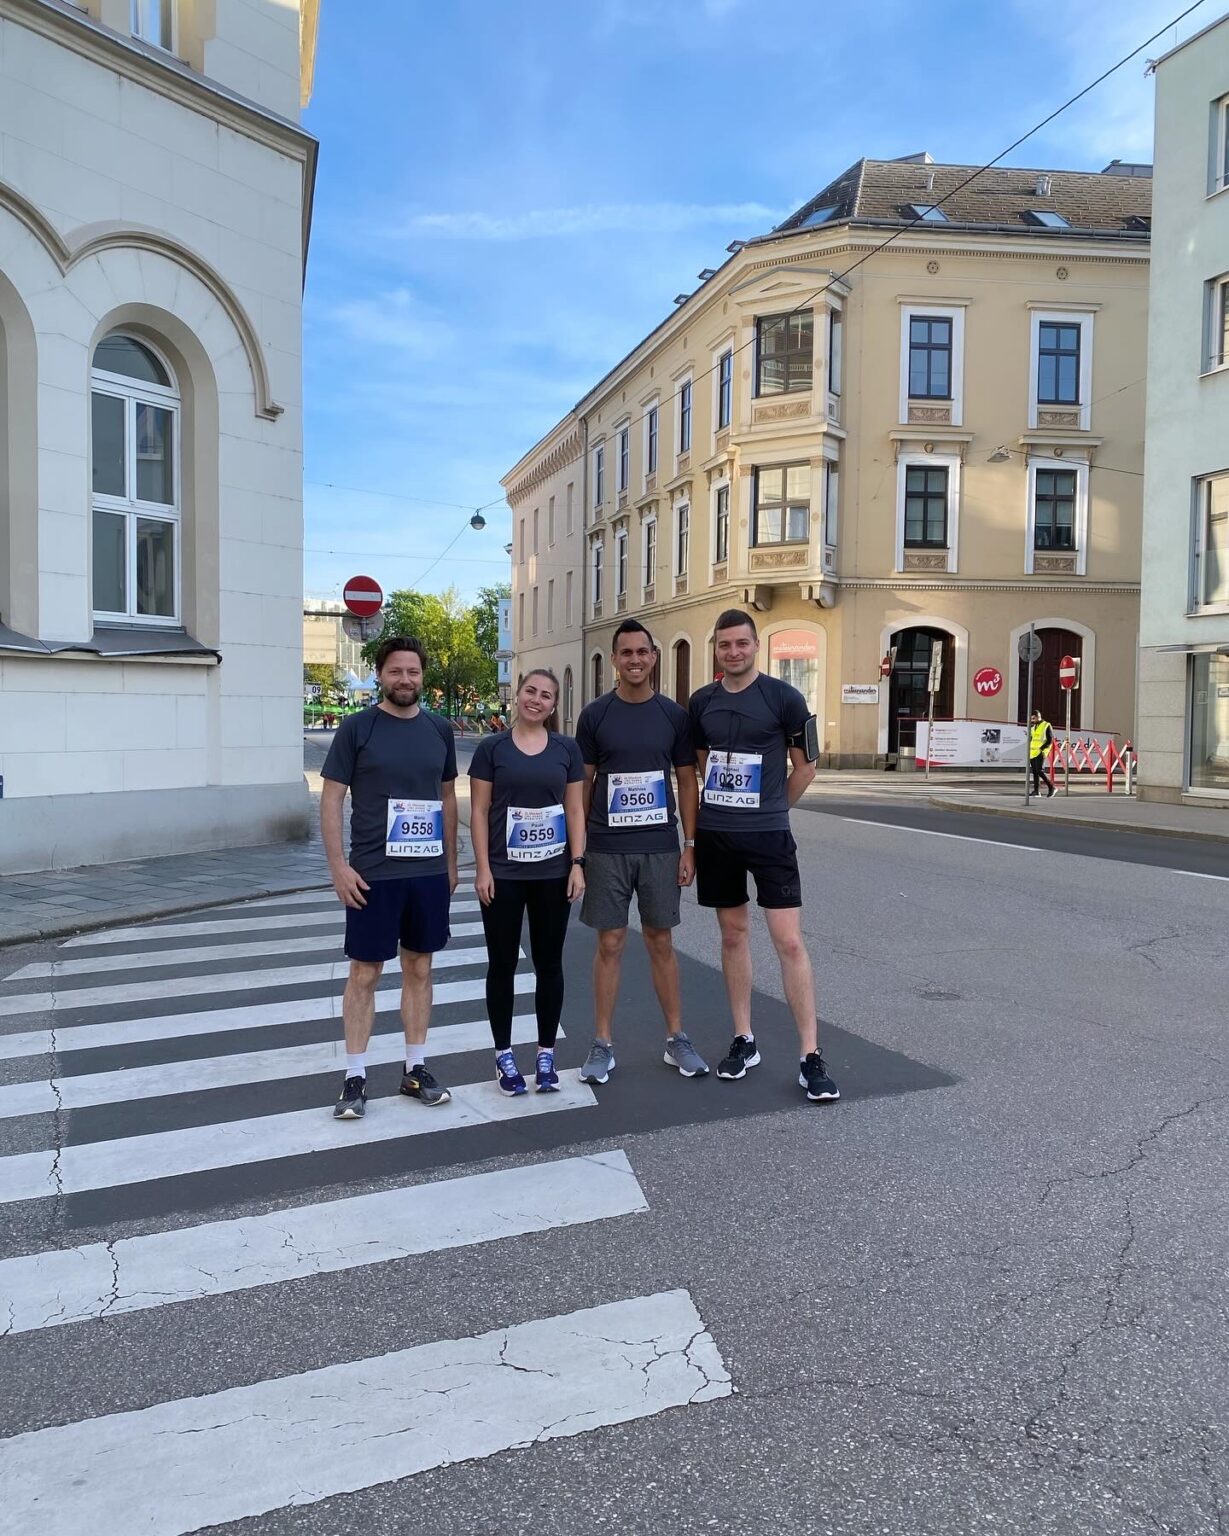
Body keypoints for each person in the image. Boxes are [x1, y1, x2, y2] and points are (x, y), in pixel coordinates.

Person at [688, 609, 840, 1103]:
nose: (733, 652)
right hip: (717, 836)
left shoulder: (785, 698)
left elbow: (806, 767)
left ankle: (810, 1056)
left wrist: (774, 809)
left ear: (756, 646)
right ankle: (744, 1039)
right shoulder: (701, 702)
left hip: (769, 836)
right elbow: (698, 765)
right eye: (725, 645)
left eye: (741, 644)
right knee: (733, 937)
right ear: (717, 649)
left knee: (789, 942)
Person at [320, 635, 459, 1120]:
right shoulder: (357, 729)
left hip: (426, 871)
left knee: (420, 967)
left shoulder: (440, 730)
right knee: (365, 973)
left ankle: (415, 1069)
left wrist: (451, 862)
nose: (405, 679)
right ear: (380, 674)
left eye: (413, 672)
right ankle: (355, 1076)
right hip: (372, 874)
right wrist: (339, 866)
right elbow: (332, 797)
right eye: (396, 671)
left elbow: (446, 798)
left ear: (423, 677)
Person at [575, 619, 706, 1083]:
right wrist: (581, 851)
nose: (634, 660)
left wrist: (690, 845)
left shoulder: (674, 716)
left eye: (641, 652)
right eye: (625, 653)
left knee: (661, 941)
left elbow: (687, 781)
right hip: (607, 848)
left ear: (654, 657)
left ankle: (676, 1039)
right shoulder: (595, 715)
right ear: (614, 660)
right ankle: (602, 1043)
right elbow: (583, 784)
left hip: (659, 846)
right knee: (609, 943)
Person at [469, 668, 587, 1094]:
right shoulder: (491, 749)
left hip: (553, 873)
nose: (536, 700)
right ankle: (503, 1055)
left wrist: (578, 863)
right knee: (501, 964)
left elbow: (575, 811)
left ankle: (545, 1054)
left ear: (555, 706)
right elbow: (479, 812)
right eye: (530, 692)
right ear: (517, 696)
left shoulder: (566, 750)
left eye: (546, 695)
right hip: (503, 874)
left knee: (548, 963)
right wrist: (482, 868)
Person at [1029, 709, 1056, 797]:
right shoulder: (1033, 728)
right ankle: (1036, 791)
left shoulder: (1046, 725)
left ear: (1038, 717)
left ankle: (1051, 787)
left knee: (1039, 771)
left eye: (1033, 718)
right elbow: (1032, 739)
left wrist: (1042, 749)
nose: (1032, 720)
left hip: (1041, 752)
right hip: (1033, 752)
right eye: (1031, 719)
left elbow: (1050, 739)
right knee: (1035, 772)